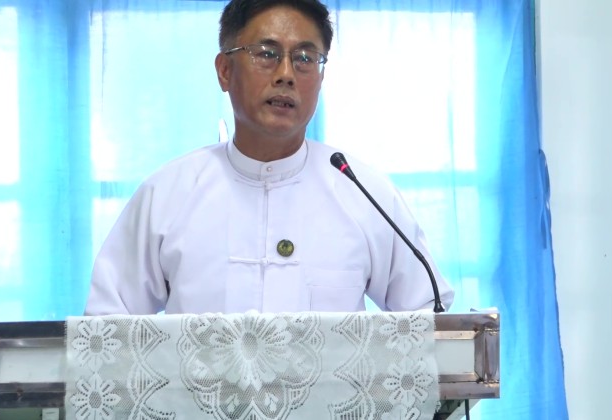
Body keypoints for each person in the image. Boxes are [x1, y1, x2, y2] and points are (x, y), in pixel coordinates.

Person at [85, 0, 454, 315]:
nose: (286, 75)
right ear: (225, 71)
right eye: (266, 54)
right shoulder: (168, 193)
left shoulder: (364, 192)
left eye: (305, 58)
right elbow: (106, 329)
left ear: (320, 79)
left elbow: (428, 317)